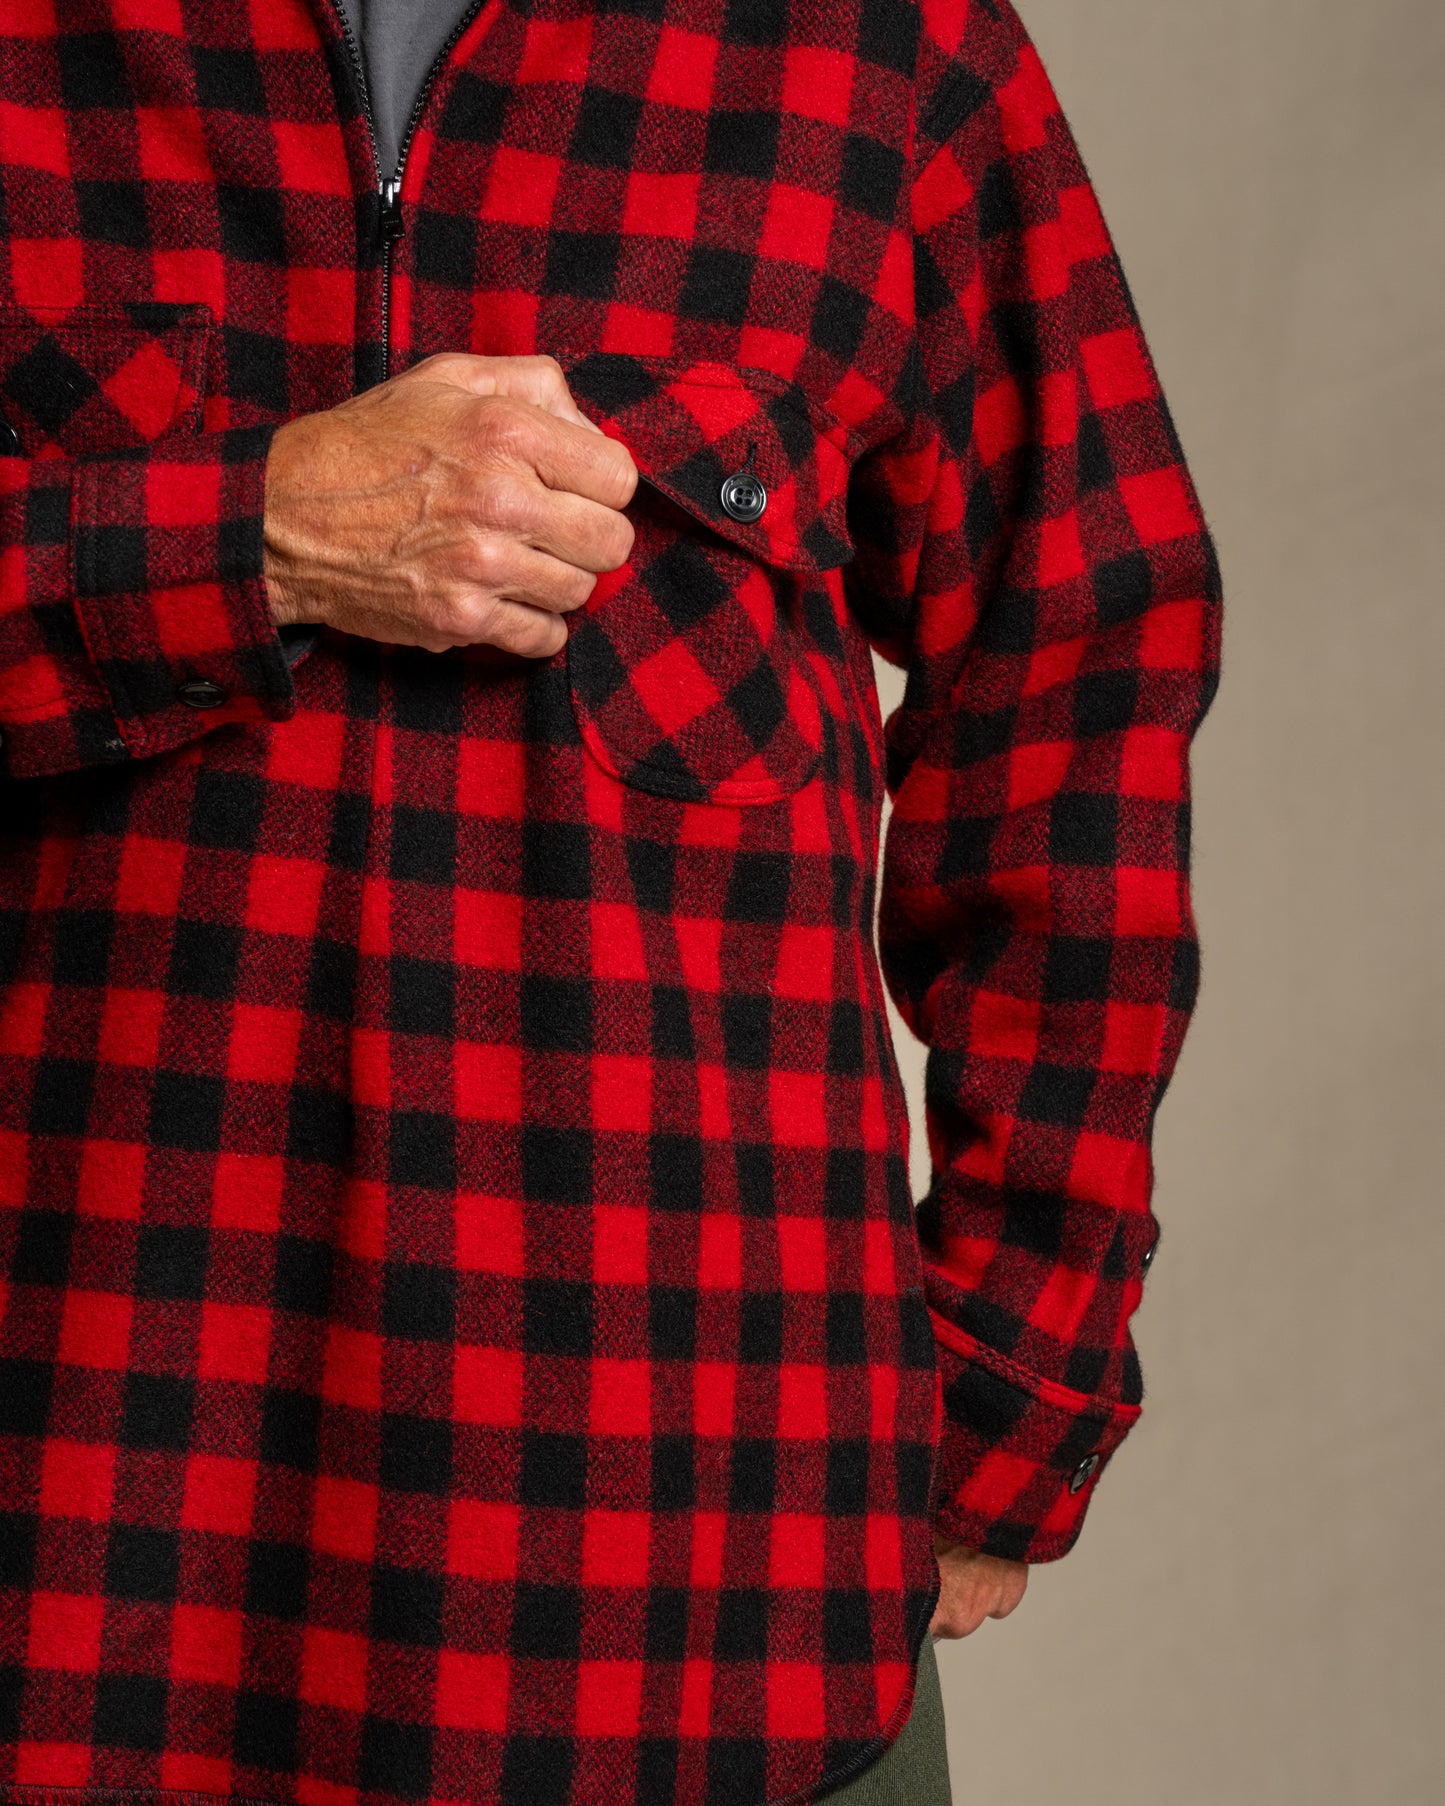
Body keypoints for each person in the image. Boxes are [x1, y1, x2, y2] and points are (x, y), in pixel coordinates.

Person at [0, 0, 1219, 1802]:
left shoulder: (881, 50)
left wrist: (1006, 1392)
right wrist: (239, 530)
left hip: (699, 1608)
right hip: (83, 1558)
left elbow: (1078, 670)